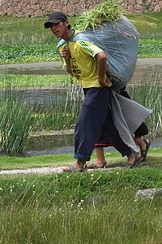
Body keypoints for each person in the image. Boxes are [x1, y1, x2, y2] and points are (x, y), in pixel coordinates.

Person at [45, 11, 144, 172]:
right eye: (51, 26)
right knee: (107, 127)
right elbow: (72, 72)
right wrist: (67, 59)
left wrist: (100, 78)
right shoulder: (63, 46)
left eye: (57, 24)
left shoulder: (82, 41)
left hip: (97, 89)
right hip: (87, 87)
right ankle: (132, 155)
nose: (54, 28)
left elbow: (102, 56)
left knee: (83, 124)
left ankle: (80, 162)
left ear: (66, 23)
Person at [88, 88, 151, 169]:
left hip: (110, 91)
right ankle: (100, 159)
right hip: (95, 90)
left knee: (115, 123)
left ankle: (138, 146)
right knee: (98, 122)